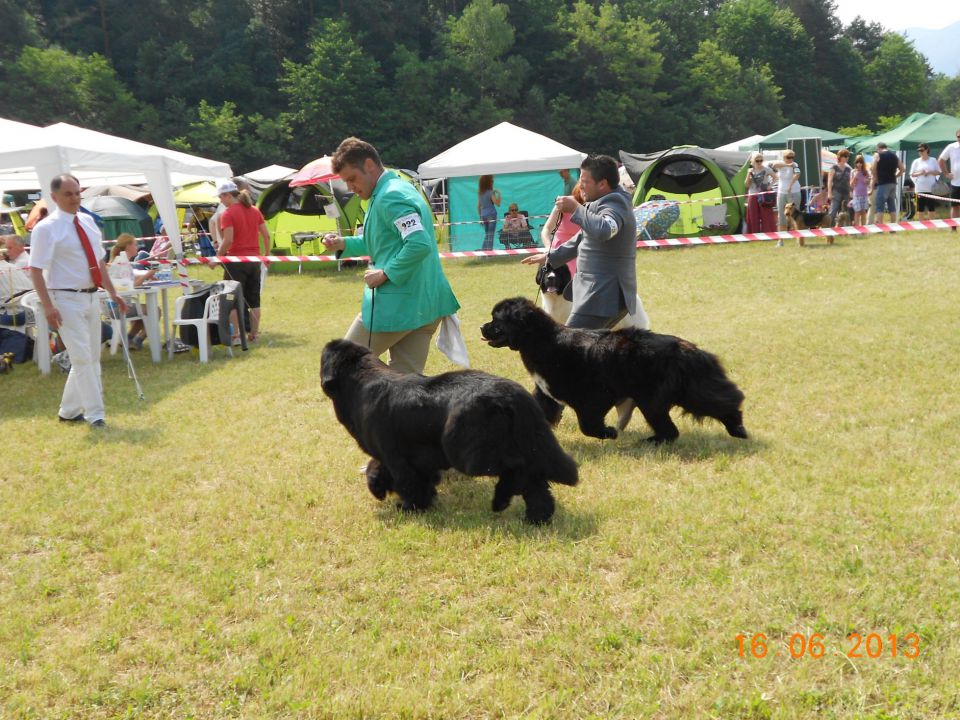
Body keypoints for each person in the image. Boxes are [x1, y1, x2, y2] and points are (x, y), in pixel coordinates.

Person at [322, 137, 461, 374]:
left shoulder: (390, 196)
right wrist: (343, 244)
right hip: (424, 305)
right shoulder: (396, 189)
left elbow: (418, 243)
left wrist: (386, 273)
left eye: (352, 179)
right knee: (405, 390)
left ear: (369, 165)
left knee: (340, 369)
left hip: (398, 307)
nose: (351, 188)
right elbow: (382, 243)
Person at [28, 174, 128, 427]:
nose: (74, 198)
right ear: (54, 197)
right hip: (64, 299)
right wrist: (48, 305)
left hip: (91, 296)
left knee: (91, 356)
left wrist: (113, 291)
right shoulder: (45, 228)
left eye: (77, 193)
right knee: (83, 357)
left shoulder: (87, 221)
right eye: (68, 194)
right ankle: (96, 414)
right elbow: (36, 270)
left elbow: (99, 263)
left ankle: (69, 411)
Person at [522, 154, 636, 329]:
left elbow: (605, 229)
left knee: (568, 350)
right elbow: (582, 238)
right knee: (588, 351)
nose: (580, 185)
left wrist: (576, 208)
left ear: (603, 184)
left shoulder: (614, 203)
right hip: (600, 297)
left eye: (584, 181)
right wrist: (550, 257)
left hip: (602, 297)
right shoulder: (602, 202)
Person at [216, 180, 271, 343]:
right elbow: (266, 235)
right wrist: (266, 255)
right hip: (254, 261)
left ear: (227, 195)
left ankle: (237, 335)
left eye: (221, 197)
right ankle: (254, 334)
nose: (220, 201)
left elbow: (228, 239)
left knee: (232, 300)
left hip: (236, 261)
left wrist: (218, 256)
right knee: (254, 299)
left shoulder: (228, 213)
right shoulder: (254, 210)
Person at [769, 150, 801, 238]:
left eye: (792, 157)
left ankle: (798, 237)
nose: (790, 159)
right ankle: (781, 239)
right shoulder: (780, 163)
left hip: (794, 191)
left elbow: (797, 174)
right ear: (783, 157)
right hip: (781, 192)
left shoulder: (795, 164)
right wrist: (787, 165)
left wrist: (790, 186)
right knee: (781, 215)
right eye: (788, 157)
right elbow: (774, 165)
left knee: (795, 215)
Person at [871, 142, 905, 223]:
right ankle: (893, 227)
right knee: (891, 206)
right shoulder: (894, 155)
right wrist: (896, 176)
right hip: (893, 183)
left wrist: (876, 178)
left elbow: (873, 168)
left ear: (878, 148)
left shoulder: (878, 155)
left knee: (880, 206)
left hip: (883, 183)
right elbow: (902, 169)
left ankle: (880, 228)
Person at [744, 153, 777, 233]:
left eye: (761, 160)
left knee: (766, 215)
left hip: (764, 195)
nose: (759, 162)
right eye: (757, 160)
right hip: (752, 194)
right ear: (752, 161)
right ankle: (754, 234)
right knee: (753, 216)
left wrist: (770, 186)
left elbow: (775, 177)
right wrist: (749, 174)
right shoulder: (750, 171)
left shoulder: (766, 169)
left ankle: (768, 233)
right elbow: (746, 185)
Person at [910, 144, 941, 222]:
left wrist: (930, 172)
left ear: (927, 150)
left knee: (931, 207)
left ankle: (932, 224)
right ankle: (921, 224)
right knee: (920, 207)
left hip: (931, 188)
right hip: (920, 188)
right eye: (919, 151)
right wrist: (920, 173)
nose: (920, 152)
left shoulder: (933, 160)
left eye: (922, 150)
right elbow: (912, 174)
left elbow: (938, 172)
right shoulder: (916, 161)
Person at [938, 128, 960, 231]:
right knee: (955, 206)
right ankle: (953, 228)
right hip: (955, 183)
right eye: (958, 137)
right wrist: (946, 173)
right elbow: (941, 160)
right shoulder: (951, 147)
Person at [826, 148, 853, 225]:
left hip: (846, 192)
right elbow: (830, 181)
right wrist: (829, 193)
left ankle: (847, 229)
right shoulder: (834, 167)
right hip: (836, 192)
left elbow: (850, 182)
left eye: (847, 156)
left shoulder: (848, 168)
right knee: (833, 210)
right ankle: (829, 228)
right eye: (845, 156)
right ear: (840, 157)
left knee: (847, 211)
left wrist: (851, 191)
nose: (847, 158)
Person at [477, 175, 501, 250]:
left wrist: (480, 217)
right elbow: (498, 203)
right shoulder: (490, 193)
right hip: (491, 215)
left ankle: (484, 251)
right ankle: (489, 253)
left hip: (483, 215)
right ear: (489, 182)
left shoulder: (480, 193)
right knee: (490, 235)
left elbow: (478, 206)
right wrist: (499, 194)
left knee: (487, 235)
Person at [850, 154, 871, 226]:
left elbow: (868, 183)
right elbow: (851, 184)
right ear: (855, 163)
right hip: (856, 195)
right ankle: (857, 229)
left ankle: (863, 229)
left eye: (861, 162)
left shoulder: (866, 172)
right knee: (857, 212)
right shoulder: (853, 171)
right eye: (857, 162)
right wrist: (856, 175)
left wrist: (867, 181)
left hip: (864, 194)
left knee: (863, 212)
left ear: (863, 163)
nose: (859, 164)